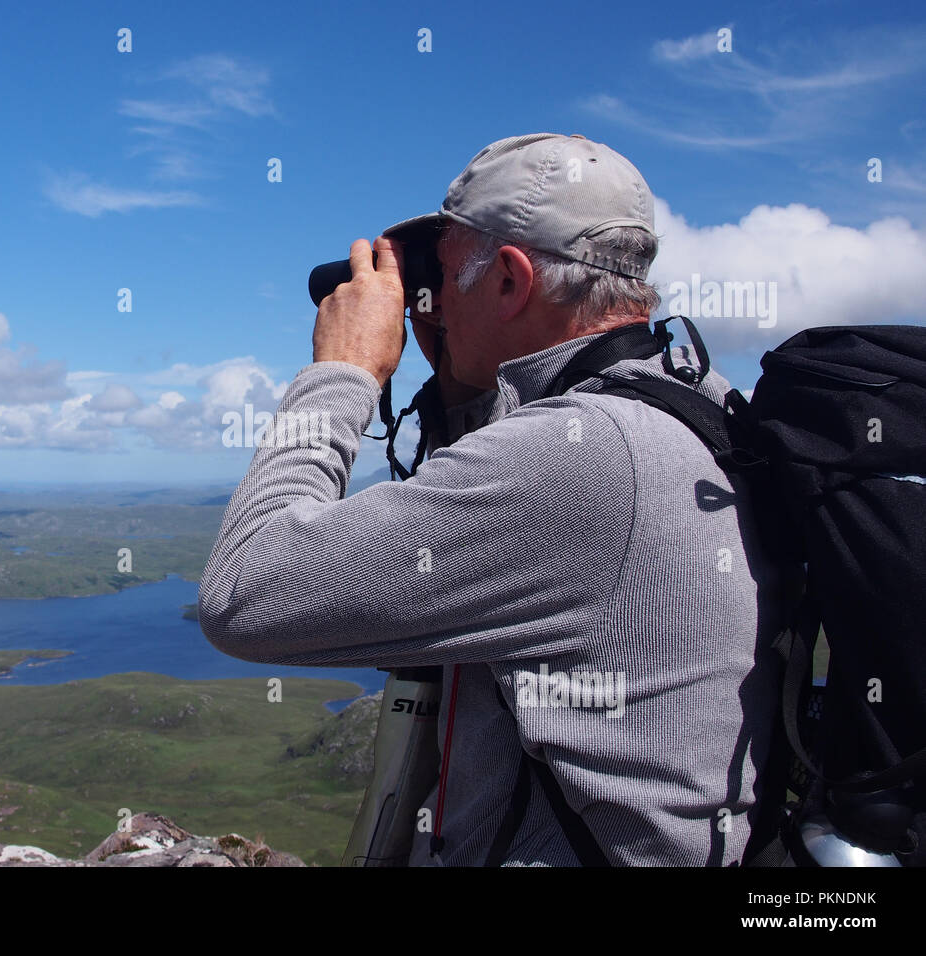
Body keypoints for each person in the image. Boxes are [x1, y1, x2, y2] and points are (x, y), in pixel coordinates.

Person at [196, 133, 783, 866]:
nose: (432, 303)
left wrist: (343, 372)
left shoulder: (584, 455)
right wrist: (462, 382)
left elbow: (245, 594)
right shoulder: (698, 402)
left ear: (509, 279)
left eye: (444, 276)